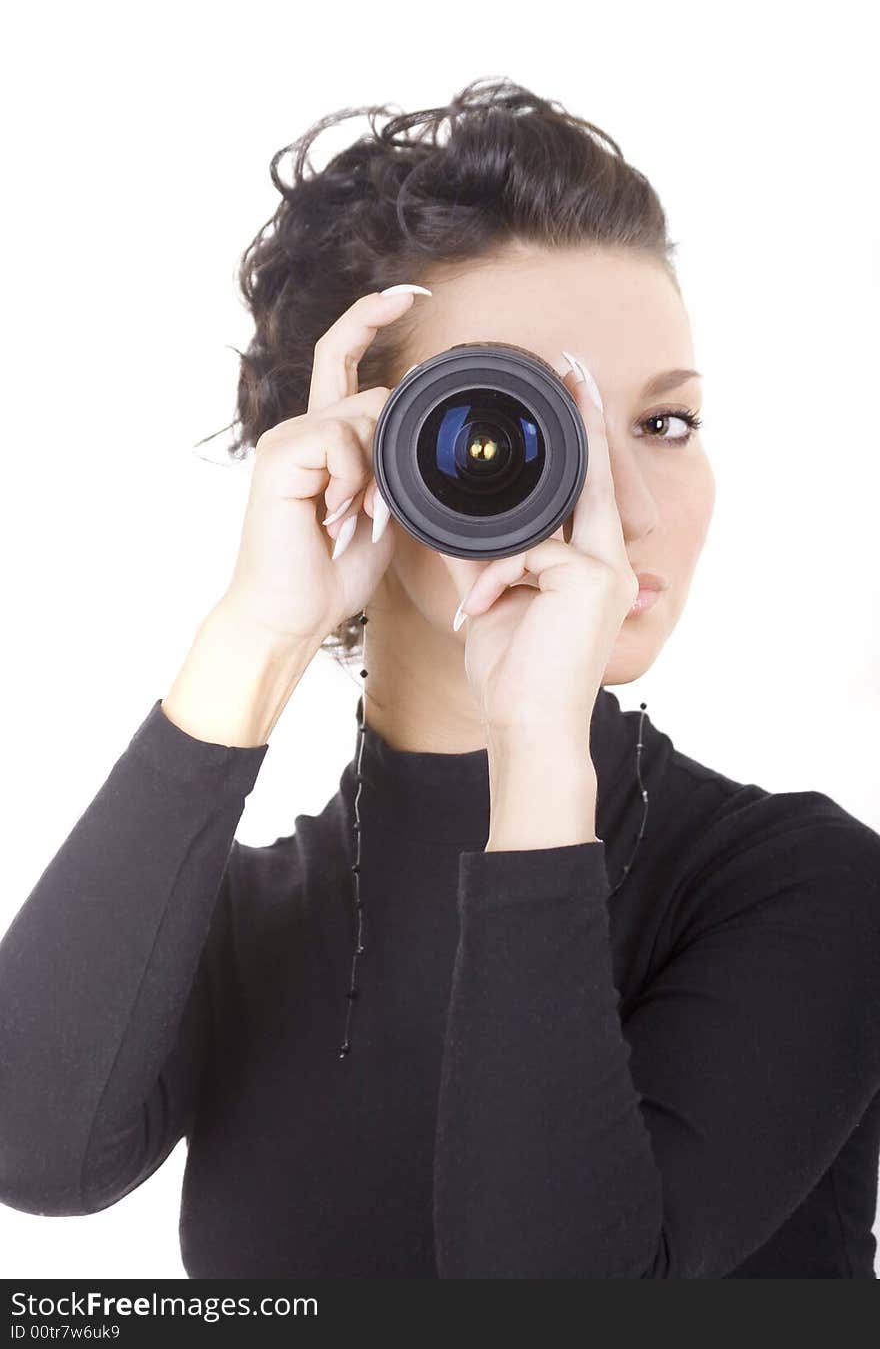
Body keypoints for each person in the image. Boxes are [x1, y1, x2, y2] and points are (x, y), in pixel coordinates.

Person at [1, 77, 878, 1280]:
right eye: (509, 425)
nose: (622, 506)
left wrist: (536, 749)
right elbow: (35, 1151)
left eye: (664, 423)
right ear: (374, 460)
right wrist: (262, 627)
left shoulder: (805, 888)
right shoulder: (246, 919)